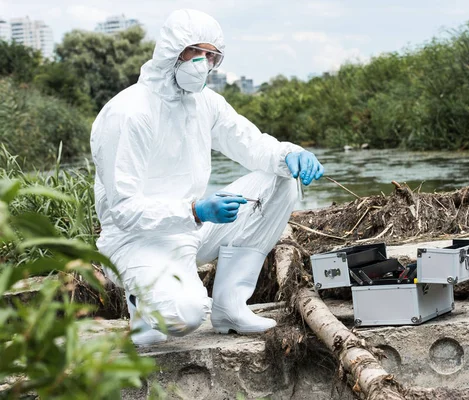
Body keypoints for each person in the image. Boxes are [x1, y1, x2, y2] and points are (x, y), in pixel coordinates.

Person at [90, 9, 324, 346]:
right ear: (173, 50)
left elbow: (251, 143)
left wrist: (289, 155)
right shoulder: (129, 112)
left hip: (192, 225)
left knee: (280, 180)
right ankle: (140, 305)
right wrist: (195, 211)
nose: (203, 62)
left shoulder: (206, 103)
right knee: (184, 315)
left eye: (210, 55)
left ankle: (230, 307)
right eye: (194, 52)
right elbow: (123, 210)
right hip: (135, 241)